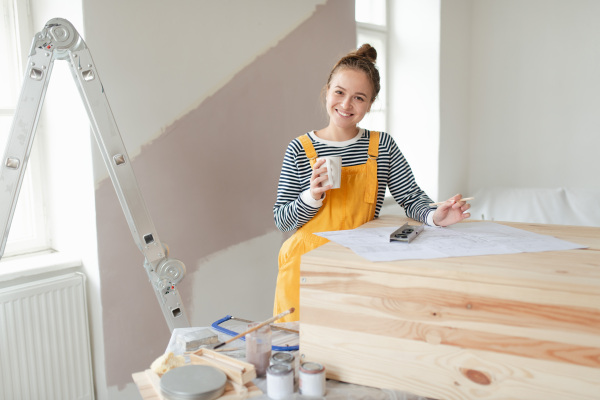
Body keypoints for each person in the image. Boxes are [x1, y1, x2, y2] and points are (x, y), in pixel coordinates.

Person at [272, 44, 471, 322]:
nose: (346, 104)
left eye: (359, 98)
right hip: (306, 264)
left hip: (361, 260)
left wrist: (435, 216)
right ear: (327, 90)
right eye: (339, 92)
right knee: (299, 348)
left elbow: (411, 197)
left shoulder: (382, 146)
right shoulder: (299, 148)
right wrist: (312, 196)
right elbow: (282, 220)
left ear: (370, 104)